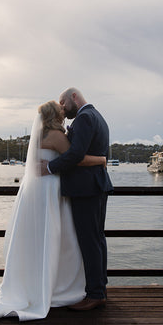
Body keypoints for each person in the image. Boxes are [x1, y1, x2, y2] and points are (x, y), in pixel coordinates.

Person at [0, 100, 106, 321]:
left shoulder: (38, 135)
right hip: (50, 189)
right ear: (55, 116)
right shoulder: (56, 136)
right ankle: (60, 286)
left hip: (33, 190)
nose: (65, 116)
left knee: (36, 239)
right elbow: (77, 159)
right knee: (60, 238)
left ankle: (34, 283)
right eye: (62, 113)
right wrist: (102, 159)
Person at [42, 87, 113, 311]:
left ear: (74, 97)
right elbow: (100, 154)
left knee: (90, 241)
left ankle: (95, 294)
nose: (62, 109)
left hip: (86, 189)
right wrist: (101, 160)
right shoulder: (98, 117)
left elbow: (76, 155)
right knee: (98, 239)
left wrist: (50, 167)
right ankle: (100, 287)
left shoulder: (83, 118)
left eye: (63, 103)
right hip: (97, 186)